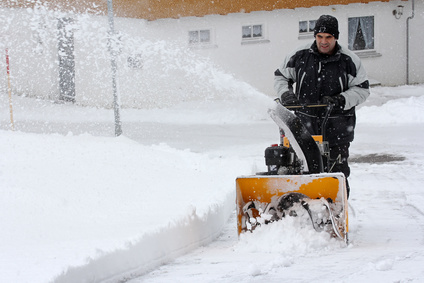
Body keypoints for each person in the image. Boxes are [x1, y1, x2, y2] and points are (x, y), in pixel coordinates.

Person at [274, 15, 370, 198]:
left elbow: (362, 89)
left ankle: (336, 211)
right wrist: (286, 94)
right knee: (300, 170)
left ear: (336, 37)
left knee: (337, 172)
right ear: (315, 36)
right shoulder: (299, 56)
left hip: (338, 127)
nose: (323, 42)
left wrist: (341, 99)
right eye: (319, 37)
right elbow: (281, 76)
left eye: (328, 37)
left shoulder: (349, 61)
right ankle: (300, 208)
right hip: (303, 126)